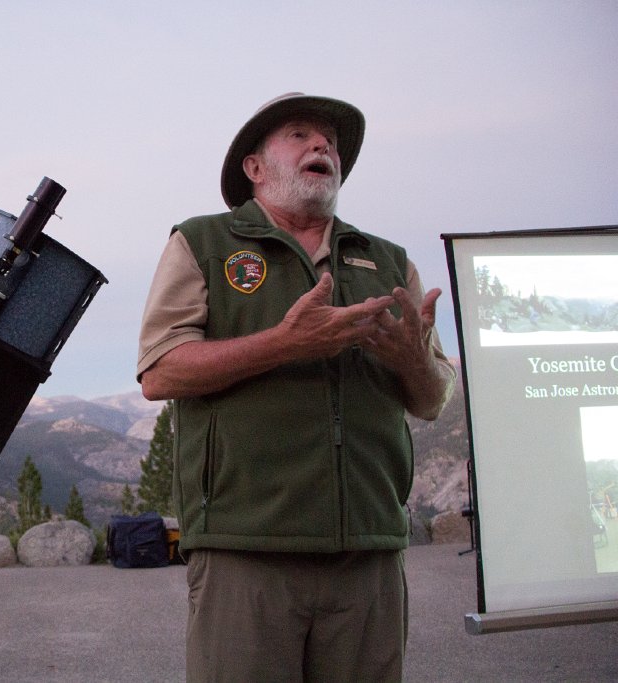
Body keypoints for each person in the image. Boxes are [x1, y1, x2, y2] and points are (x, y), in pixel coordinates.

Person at [137, 92, 456, 682]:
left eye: (330, 142)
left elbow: (433, 398)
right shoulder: (204, 244)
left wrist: (413, 360)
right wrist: (285, 343)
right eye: (301, 135)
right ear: (254, 168)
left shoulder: (388, 263)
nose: (322, 147)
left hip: (368, 554)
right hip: (245, 553)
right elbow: (161, 371)